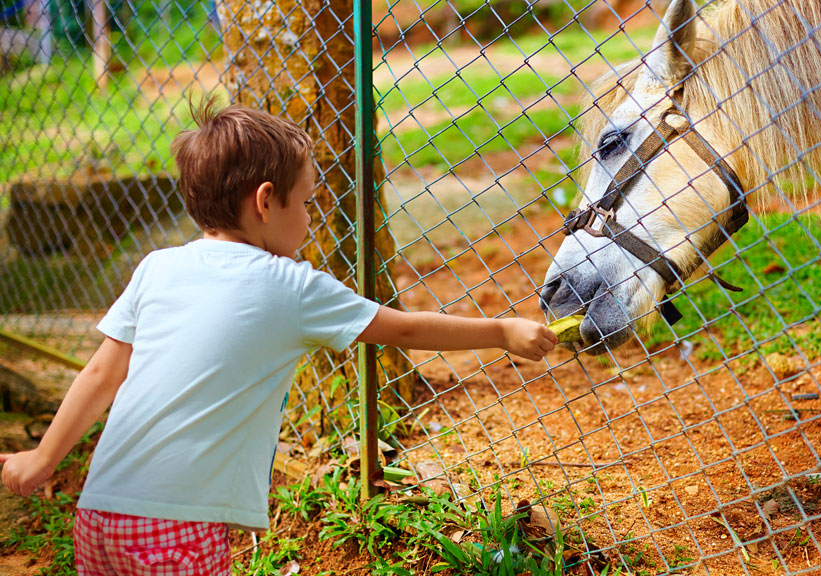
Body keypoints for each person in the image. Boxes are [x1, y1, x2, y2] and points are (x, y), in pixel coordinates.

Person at [0, 99, 557, 575]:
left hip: (100, 516)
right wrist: (502, 331)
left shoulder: (158, 267)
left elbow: (101, 374)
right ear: (266, 201)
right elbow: (403, 326)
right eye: (309, 202)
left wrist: (44, 459)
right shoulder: (291, 287)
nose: (314, 220)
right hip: (179, 529)